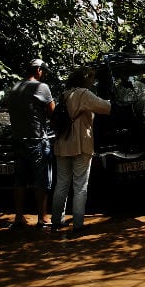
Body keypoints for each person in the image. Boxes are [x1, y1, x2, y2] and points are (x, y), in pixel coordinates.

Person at [51, 67, 111, 235]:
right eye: (91, 78)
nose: (93, 82)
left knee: (61, 184)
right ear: (85, 79)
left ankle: (56, 221)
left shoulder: (64, 94)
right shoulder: (84, 94)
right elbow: (105, 107)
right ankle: (78, 224)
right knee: (80, 186)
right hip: (80, 143)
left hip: (62, 143)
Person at [7, 58, 55, 229]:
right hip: (37, 140)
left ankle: (19, 217)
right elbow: (52, 113)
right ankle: (42, 218)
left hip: (18, 139)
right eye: (43, 71)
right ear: (39, 70)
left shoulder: (14, 88)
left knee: (20, 180)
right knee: (41, 180)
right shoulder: (41, 87)